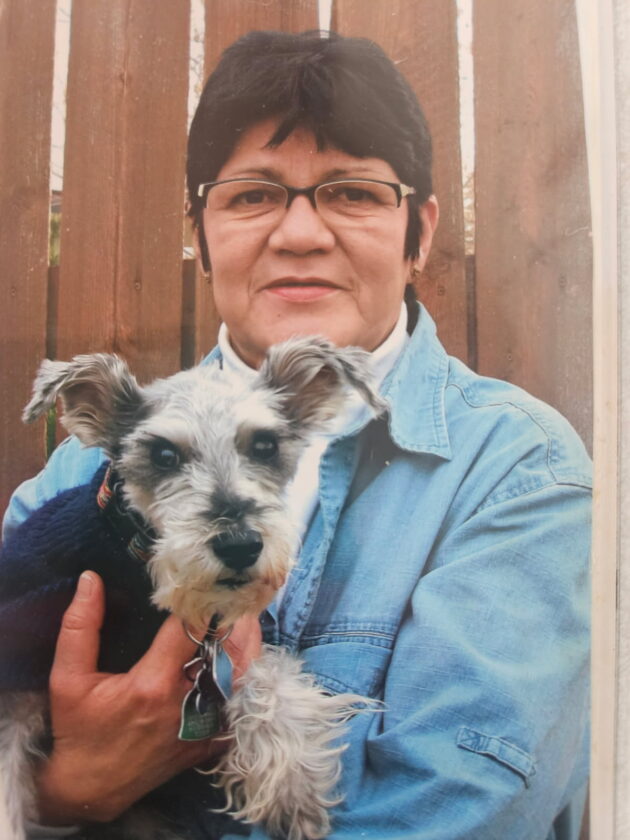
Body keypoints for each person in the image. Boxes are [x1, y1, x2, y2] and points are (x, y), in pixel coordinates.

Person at [2, 30, 590, 840]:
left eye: (353, 192)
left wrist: (71, 793)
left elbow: (461, 811)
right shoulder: (76, 475)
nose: (301, 234)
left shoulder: (517, 469)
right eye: (252, 195)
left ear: (419, 233)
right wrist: (70, 795)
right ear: (199, 232)